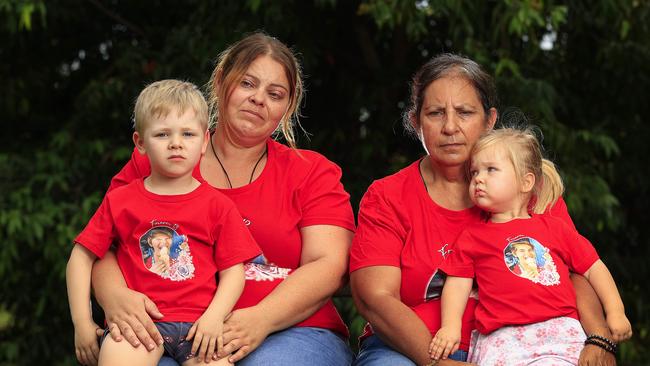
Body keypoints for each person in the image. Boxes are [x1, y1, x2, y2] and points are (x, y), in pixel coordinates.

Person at [90, 32, 355, 366]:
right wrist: (114, 296)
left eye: (275, 94)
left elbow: (329, 264)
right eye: (247, 83)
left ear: (286, 107)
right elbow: (103, 244)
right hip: (171, 327)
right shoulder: (159, 159)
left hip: (292, 330)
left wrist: (261, 318)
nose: (259, 99)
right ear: (220, 82)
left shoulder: (311, 172)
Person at [349, 53, 620, 366]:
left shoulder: (530, 189)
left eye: (464, 112)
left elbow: (577, 269)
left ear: (490, 120)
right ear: (416, 122)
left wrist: (599, 338)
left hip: (535, 344)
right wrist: (438, 362)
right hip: (408, 350)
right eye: (435, 113)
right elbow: (376, 298)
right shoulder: (389, 196)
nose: (450, 127)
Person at [66, 79, 261, 366]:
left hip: (200, 328)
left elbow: (234, 273)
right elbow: (81, 258)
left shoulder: (217, 205)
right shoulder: (121, 200)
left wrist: (215, 317)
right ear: (140, 143)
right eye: (162, 134)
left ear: (204, 141)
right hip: (140, 327)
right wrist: (82, 323)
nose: (176, 144)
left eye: (188, 134)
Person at [430, 127, 632, 364]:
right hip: (503, 336)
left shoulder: (554, 228)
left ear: (526, 182)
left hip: (559, 331)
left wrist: (616, 312)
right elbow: (457, 283)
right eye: (474, 172)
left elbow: (593, 268)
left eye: (490, 170)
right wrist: (450, 328)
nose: (478, 179)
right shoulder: (472, 236)